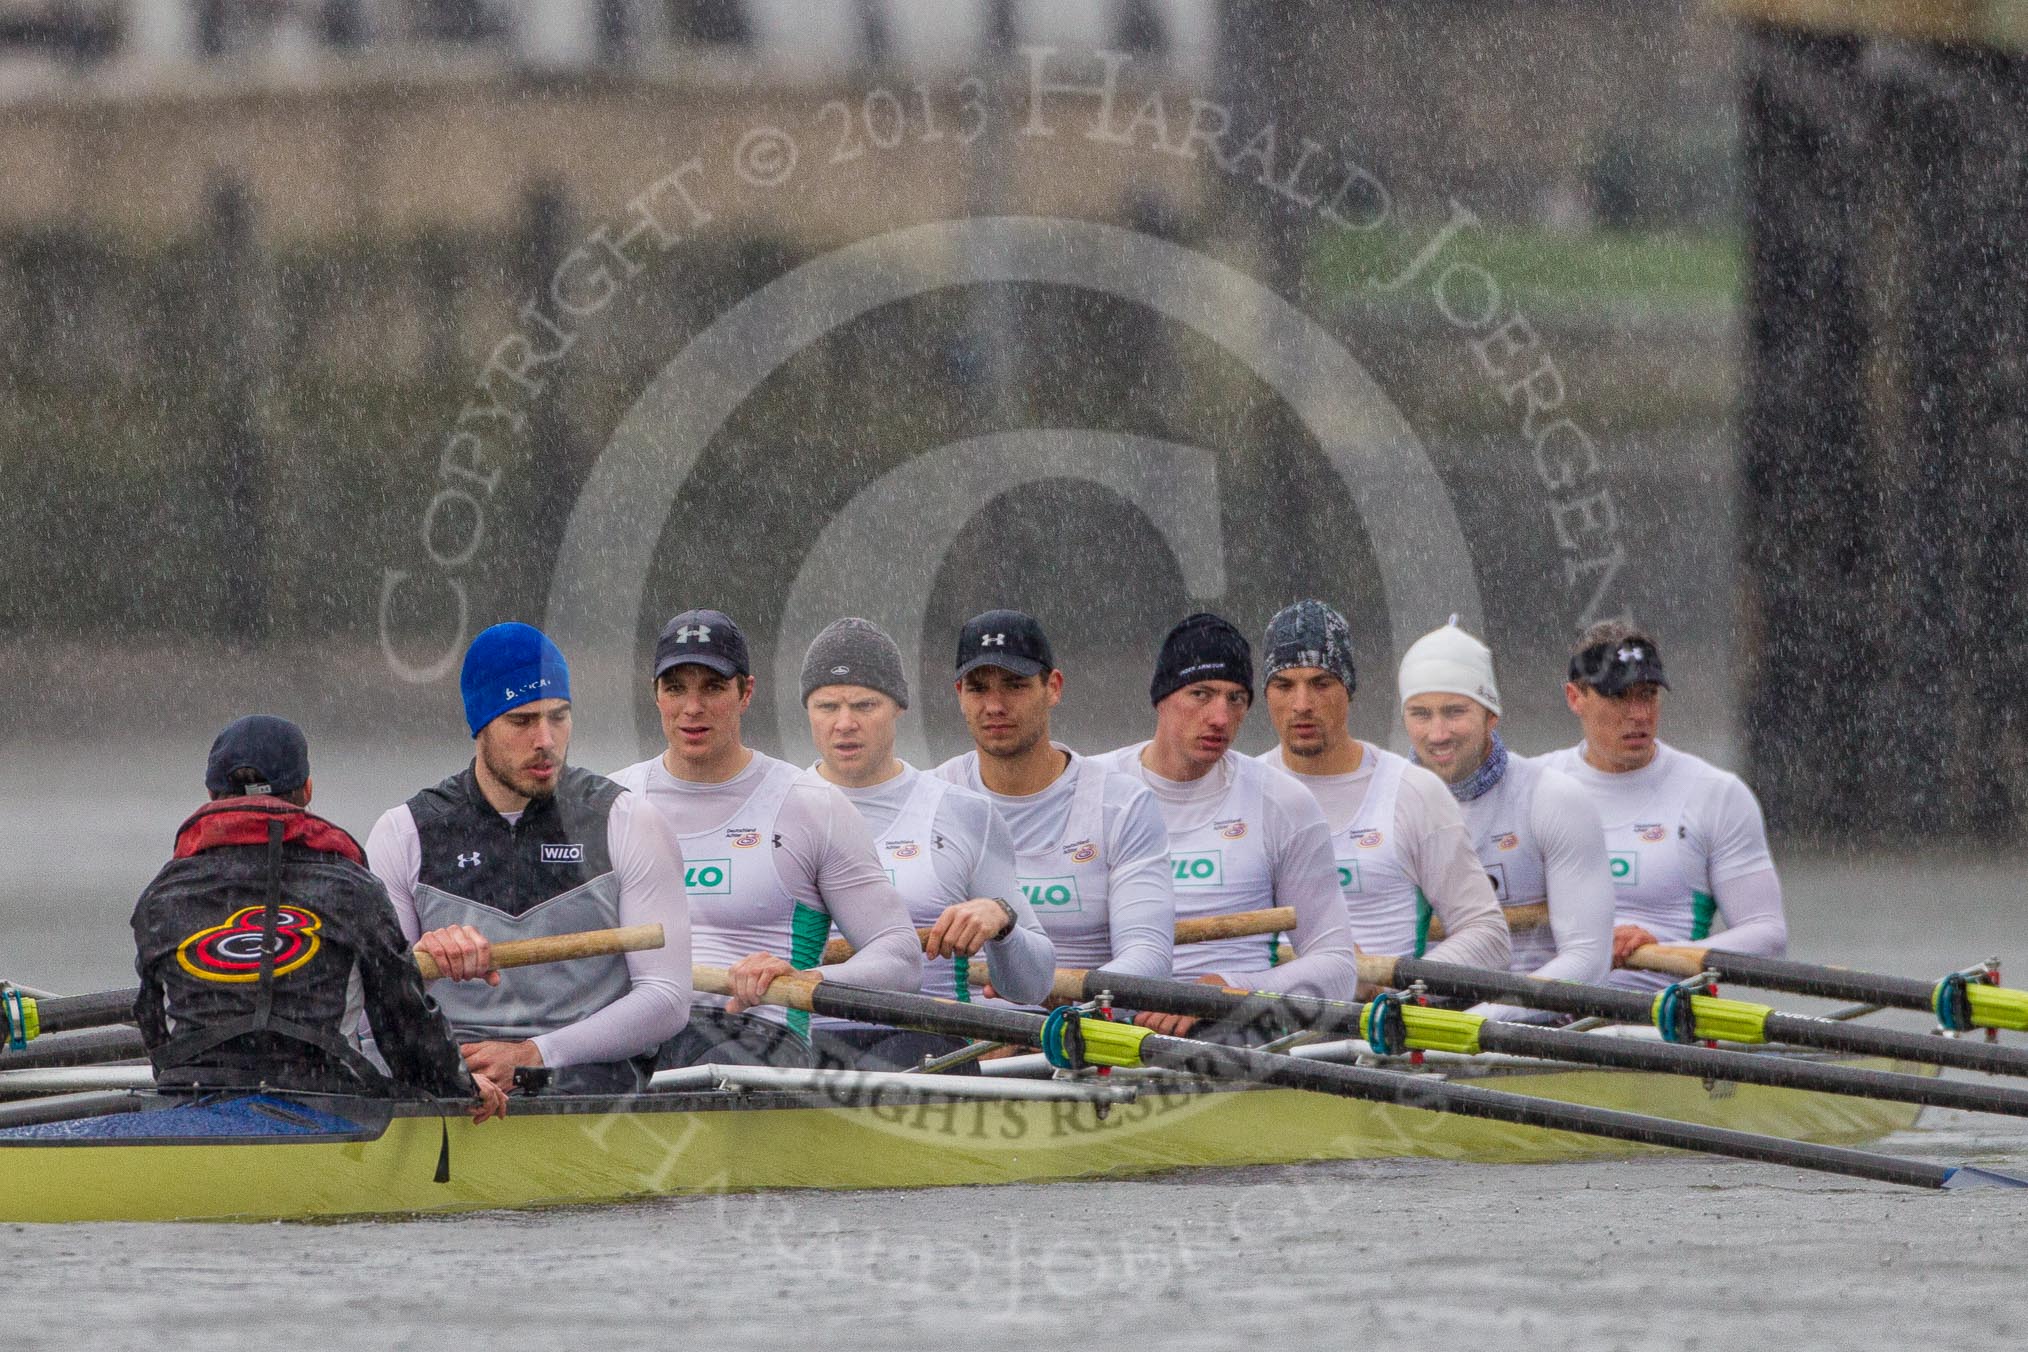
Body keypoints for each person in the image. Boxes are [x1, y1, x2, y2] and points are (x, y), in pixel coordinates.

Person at [367, 623, 692, 1096]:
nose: (546, 740)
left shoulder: (628, 822)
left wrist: (532, 1055)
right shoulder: (404, 833)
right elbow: (376, 1007)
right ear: (480, 725)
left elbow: (667, 999)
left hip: (586, 1078)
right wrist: (421, 963)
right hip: (456, 1079)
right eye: (521, 722)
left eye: (558, 716)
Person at [132, 715, 505, 1120]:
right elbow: (404, 1025)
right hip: (323, 1107)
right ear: (307, 790)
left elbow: (152, 1024)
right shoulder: (354, 890)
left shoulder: (161, 897)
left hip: (194, 1102)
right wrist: (459, 1086)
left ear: (210, 794)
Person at [608, 609, 922, 1069]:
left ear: (746, 693)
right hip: (628, 1032)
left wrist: (805, 976)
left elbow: (901, 955)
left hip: (753, 1034)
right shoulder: (611, 800)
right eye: (676, 688)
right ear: (656, 695)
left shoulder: (811, 805)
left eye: (713, 687)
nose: (692, 708)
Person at [801, 618, 1056, 1066]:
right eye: (827, 706)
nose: (845, 724)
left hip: (928, 1041)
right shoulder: (775, 808)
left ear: (899, 707)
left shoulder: (962, 812)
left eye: (864, 704)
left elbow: (1032, 986)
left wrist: (1003, 921)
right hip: (802, 1043)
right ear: (807, 710)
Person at [1093, 613, 1360, 1037]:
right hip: (1109, 1018)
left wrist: (1227, 990)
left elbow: (1338, 970)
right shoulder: (1090, 790)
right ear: (1161, 698)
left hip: (1234, 1027)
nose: (1220, 717)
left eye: (1236, 699)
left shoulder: (1283, 802)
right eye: (1202, 694)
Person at [1257, 600, 1509, 970]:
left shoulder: (1414, 791)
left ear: (1350, 689)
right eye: (1283, 685)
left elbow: (1489, 936)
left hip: (1378, 1019)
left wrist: (1397, 986)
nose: (1302, 704)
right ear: (1265, 693)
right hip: (1266, 1019)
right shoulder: (1241, 789)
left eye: (1321, 683)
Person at [935, 610, 1176, 989]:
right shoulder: (932, 798)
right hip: (962, 1034)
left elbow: (1150, 958)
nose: (994, 706)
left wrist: (1056, 997)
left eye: (1014, 685)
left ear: (1054, 688)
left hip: (1084, 1026)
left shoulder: (1121, 803)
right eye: (978, 688)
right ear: (959, 695)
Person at [1542, 621, 1787, 990]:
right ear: (1575, 697)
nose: (1639, 714)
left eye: (1648, 694)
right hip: (1545, 1015)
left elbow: (1767, 935)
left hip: (1661, 1025)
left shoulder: (1715, 795)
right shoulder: (1533, 785)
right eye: (1619, 696)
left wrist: (1665, 951)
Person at [1397, 620, 1612, 1019]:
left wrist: (1476, 1022)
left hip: (1535, 1032)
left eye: (1455, 712)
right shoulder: (1386, 807)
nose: (1438, 733)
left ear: (1491, 714)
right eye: (1421, 714)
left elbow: (1588, 962)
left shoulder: (1553, 800)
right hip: (1416, 1020)